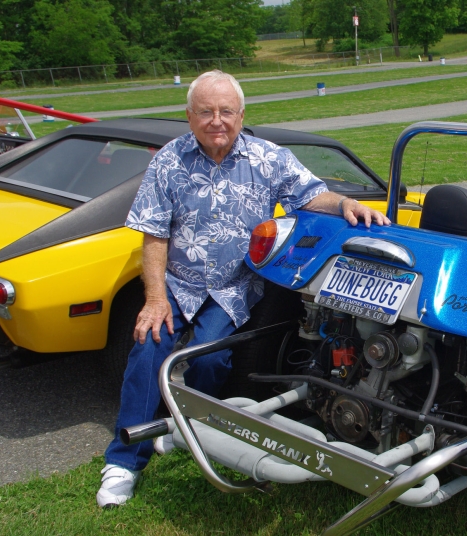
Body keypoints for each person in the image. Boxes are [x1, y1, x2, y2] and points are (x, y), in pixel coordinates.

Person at [96, 70, 390, 509]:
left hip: (233, 287)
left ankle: (188, 429)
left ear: (241, 115)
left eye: (226, 111)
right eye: (206, 111)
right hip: (180, 282)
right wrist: (156, 299)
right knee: (149, 343)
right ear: (189, 115)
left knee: (210, 358)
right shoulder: (169, 161)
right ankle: (124, 460)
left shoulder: (267, 157)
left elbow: (309, 195)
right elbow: (153, 235)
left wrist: (345, 203)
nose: (217, 120)